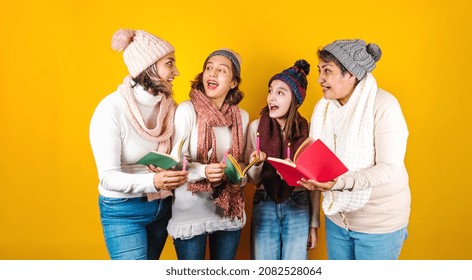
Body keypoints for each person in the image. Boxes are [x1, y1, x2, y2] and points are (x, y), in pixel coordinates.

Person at [298, 39, 411, 260]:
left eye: (327, 71)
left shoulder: (384, 105)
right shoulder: (324, 108)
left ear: (350, 73)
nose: (320, 78)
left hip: (379, 224)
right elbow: (318, 159)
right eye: (320, 70)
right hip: (338, 219)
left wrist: (338, 183)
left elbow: (388, 168)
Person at [89, 29, 188, 260]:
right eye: (169, 64)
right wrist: (153, 180)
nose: (177, 72)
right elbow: (108, 176)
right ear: (149, 67)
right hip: (123, 210)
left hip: (162, 206)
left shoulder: (169, 107)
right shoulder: (110, 110)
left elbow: (177, 154)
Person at [166, 49, 249, 260]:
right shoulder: (187, 110)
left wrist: (241, 176)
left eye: (222, 70)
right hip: (191, 210)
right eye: (209, 68)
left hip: (228, 210)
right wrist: (204, 170)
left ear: (233, 83)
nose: (212, 73)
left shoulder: (242, 117)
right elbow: (175, 161)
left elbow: (243, 165)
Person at [246, 60, 320, 260]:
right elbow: (252, 180)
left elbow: (314, 183)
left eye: (280, 92)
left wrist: (314, 224)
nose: (271, 98)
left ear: (295, 99)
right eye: (271, 91)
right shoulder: (256, 128)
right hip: (264, 202)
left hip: (298, 203)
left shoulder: (309, 131)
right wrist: (258, 164)